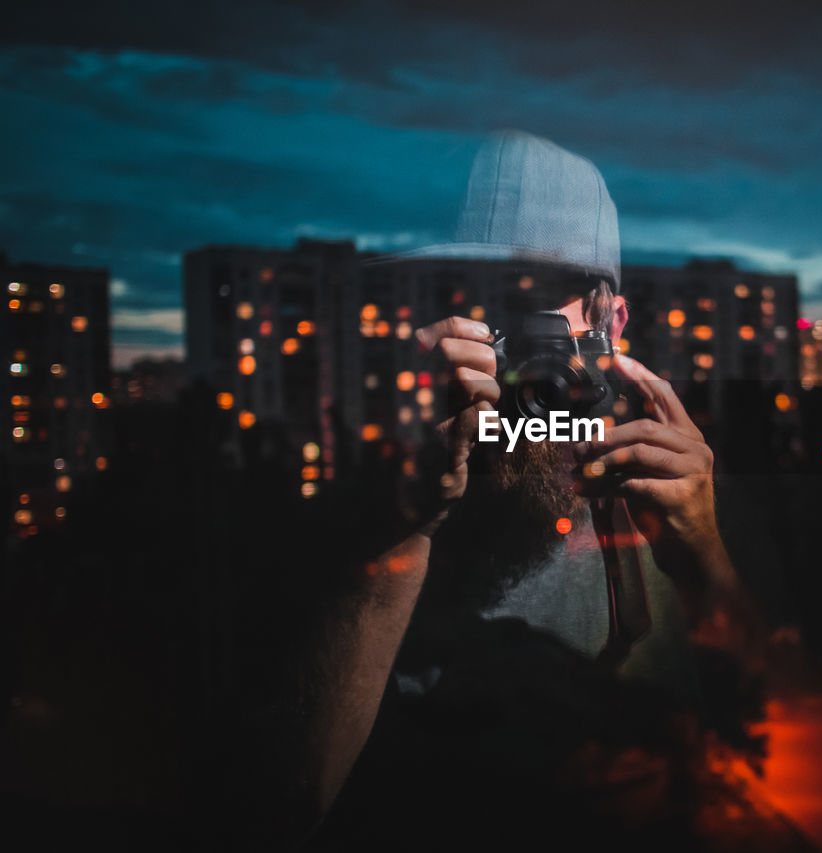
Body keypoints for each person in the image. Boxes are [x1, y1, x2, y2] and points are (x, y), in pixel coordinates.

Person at [296, 131, 764, 846]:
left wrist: (703, 551)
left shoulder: (656, 488)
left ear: (613, 323)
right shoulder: (383, 506)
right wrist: (405, 523)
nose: (512, 336)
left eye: (541, 297)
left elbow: (747, 728)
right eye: (479, 301)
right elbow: (294, 810)